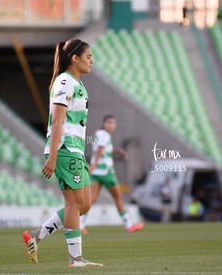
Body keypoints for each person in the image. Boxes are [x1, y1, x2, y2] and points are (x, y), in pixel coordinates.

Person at [22, 38, 102, 267]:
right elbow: (57, 121)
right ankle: (75, 258)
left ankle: (36, 237)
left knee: (83, 204)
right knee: (74, 204)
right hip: (65, 149)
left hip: (75, 149)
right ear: (74, 59)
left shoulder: (75, 83)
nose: (91, 61)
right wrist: (54, 155)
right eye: (88, 57)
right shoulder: (65, 82)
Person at [80, 115, 144, 234]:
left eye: (113, 123)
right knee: (118, 198)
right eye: (109, 123)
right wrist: (93, 165)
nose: (111, 125)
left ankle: (80, 225)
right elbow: (99, 150)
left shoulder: (98, 134)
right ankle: (129, 225)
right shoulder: (105, 135)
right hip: (106, 172)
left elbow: (103, 149)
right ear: (104, 124)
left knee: (91, 200)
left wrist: (118, 151)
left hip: (97, 173)